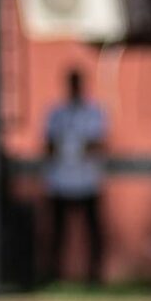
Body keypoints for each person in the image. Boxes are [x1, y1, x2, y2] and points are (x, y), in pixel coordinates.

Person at [44, 68, 108, 284]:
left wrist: (69, 146)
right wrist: (74, 146)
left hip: (87, 180)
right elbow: (48, 145)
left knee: (93, 232)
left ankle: (94, 275)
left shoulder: (93, 111)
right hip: (61, 180)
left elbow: (97, 143)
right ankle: (55, 274)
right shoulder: (56, 113)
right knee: (58, 232)